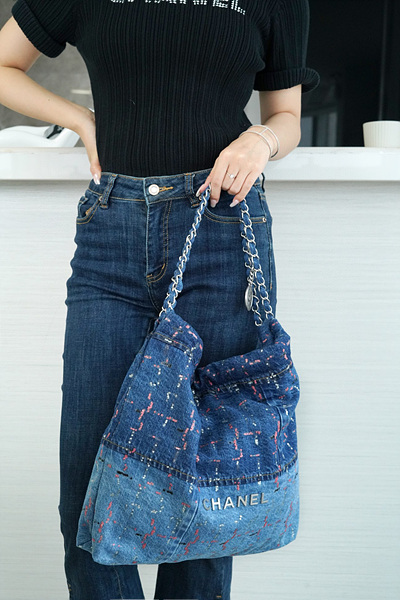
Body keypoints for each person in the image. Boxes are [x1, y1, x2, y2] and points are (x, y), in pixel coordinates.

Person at [0, 0, 320, 598]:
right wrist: (81, 120)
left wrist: (260, 140)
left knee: (208, 482)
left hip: (222, 230)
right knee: (88, 490)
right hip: (112, 233)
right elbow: (3, 64)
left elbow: (287, 116)